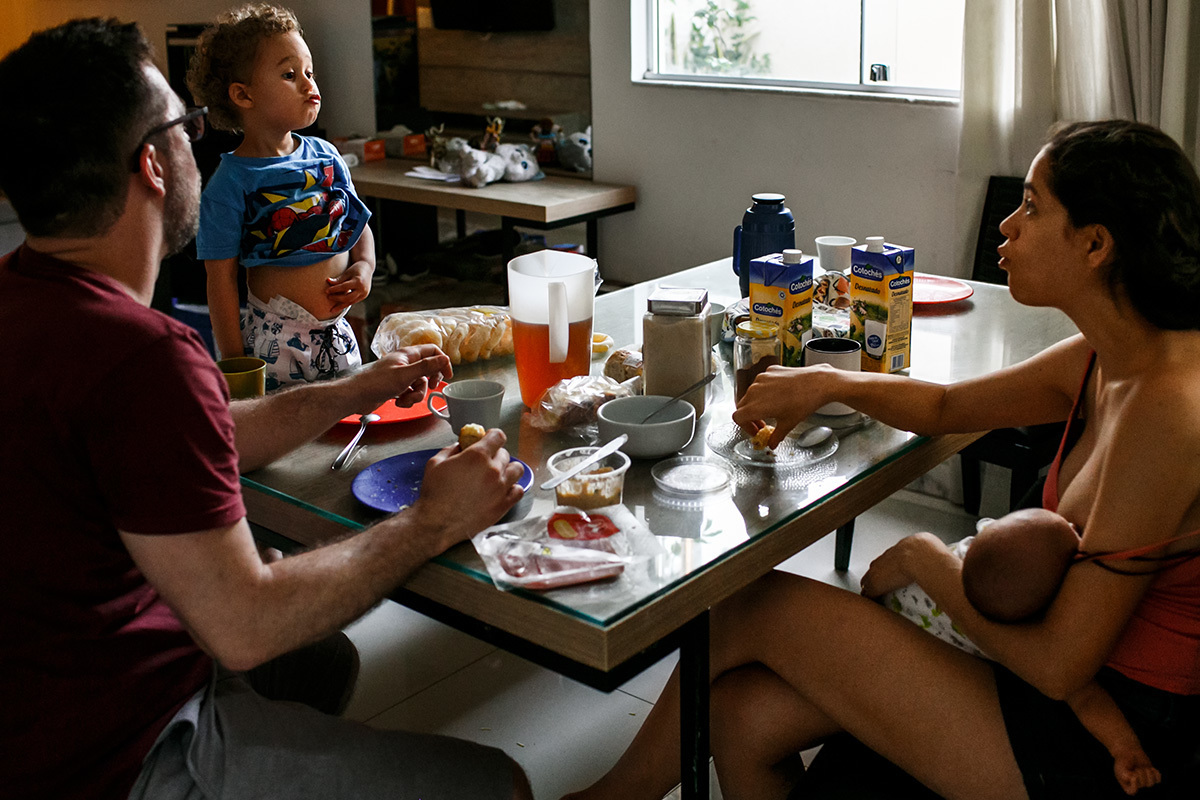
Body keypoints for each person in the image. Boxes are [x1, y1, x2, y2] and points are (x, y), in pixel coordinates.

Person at [564, 119, 1200, 800]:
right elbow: (948, 406)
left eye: (1034, 206)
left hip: (1110, 737)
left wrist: (927, 557)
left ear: (1097, 244)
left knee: (753, 604)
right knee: (739, 716)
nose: (1008, 227)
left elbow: (1057, 668)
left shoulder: (1166, 407)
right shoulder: (1109, 356)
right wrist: (829, 382)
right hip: (1067, 680)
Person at [0, 18, 532, 800]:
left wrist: (357, 387)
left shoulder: (27, 301)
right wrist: (431, 521)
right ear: (152, 164)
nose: (195, 142)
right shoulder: (142, 356)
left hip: (38, 693)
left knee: (322, 663)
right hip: (110, 752)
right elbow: (244, 627)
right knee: (500, 786)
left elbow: (189, 433)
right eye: (184, 126)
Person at [886, 509, 1161, 796]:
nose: (1072, 523)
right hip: (901, 644)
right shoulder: (1024, 632)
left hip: (890, 615)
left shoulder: (988, 557)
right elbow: (1087, 698)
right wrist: (1125, 747)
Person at [187, 3, 375, 389]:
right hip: (272, 342)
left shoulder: (327, 156)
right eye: (290, 75)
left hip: (336, 333)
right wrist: (236, 365)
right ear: (243, 95)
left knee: (351, 428)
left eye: (310, 72)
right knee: (287, 443)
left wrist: (366, 267)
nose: (310, 85)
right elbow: (220, 283)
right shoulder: (229, 183)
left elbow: (356, 226)